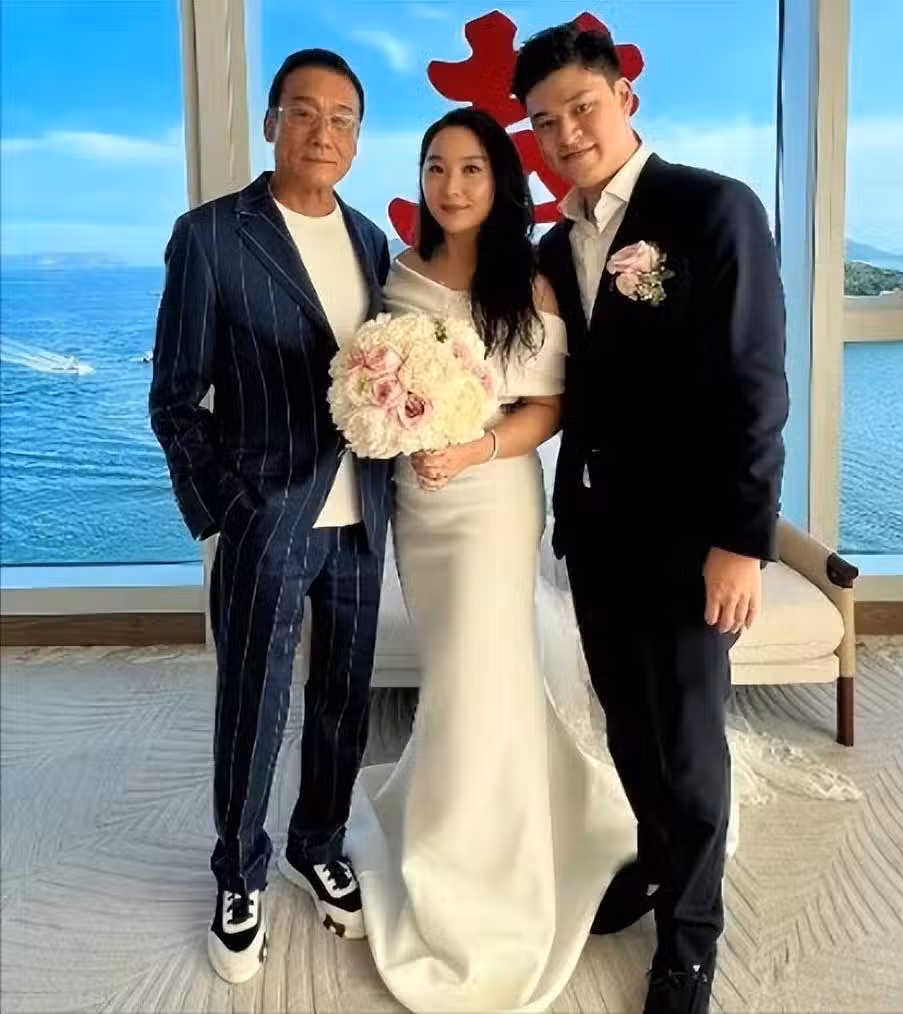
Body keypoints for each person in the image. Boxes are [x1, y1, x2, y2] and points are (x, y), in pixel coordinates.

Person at [513, 22, 790, 1014]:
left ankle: (690, 939)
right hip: (597, 531)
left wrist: (741, 543)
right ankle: (655, 853)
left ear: (625, 97)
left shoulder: (713, 207)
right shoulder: (556, 244)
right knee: (629, 726)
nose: (566, 134)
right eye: (544, 122)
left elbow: (755, 386)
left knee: (689, 742)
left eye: (581, 108)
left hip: (691, 539)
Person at [345, 107, 637, 1012]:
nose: (452, 185)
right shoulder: (397, 275)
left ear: (499, 181)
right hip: (418, 506)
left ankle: (480, 871)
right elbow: (374, 383)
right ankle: (472, 811)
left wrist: (472, 449)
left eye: (472, 168)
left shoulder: (531, 278)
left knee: (480, 670)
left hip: (493, 497)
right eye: (437, 167)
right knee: (456, 669)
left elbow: (549, 406)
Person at [149, 48, 392, 984]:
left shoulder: (371, 240)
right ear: (271, 123)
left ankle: (315, 842)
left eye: (343, 118)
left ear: (358, 138)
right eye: (304, 112)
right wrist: (229, 510)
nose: (323, 132)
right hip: (267, 516)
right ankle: (238, 872)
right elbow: (176, 396)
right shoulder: (211, 235)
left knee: (343, 697)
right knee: (254, 702)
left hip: (360, 514)